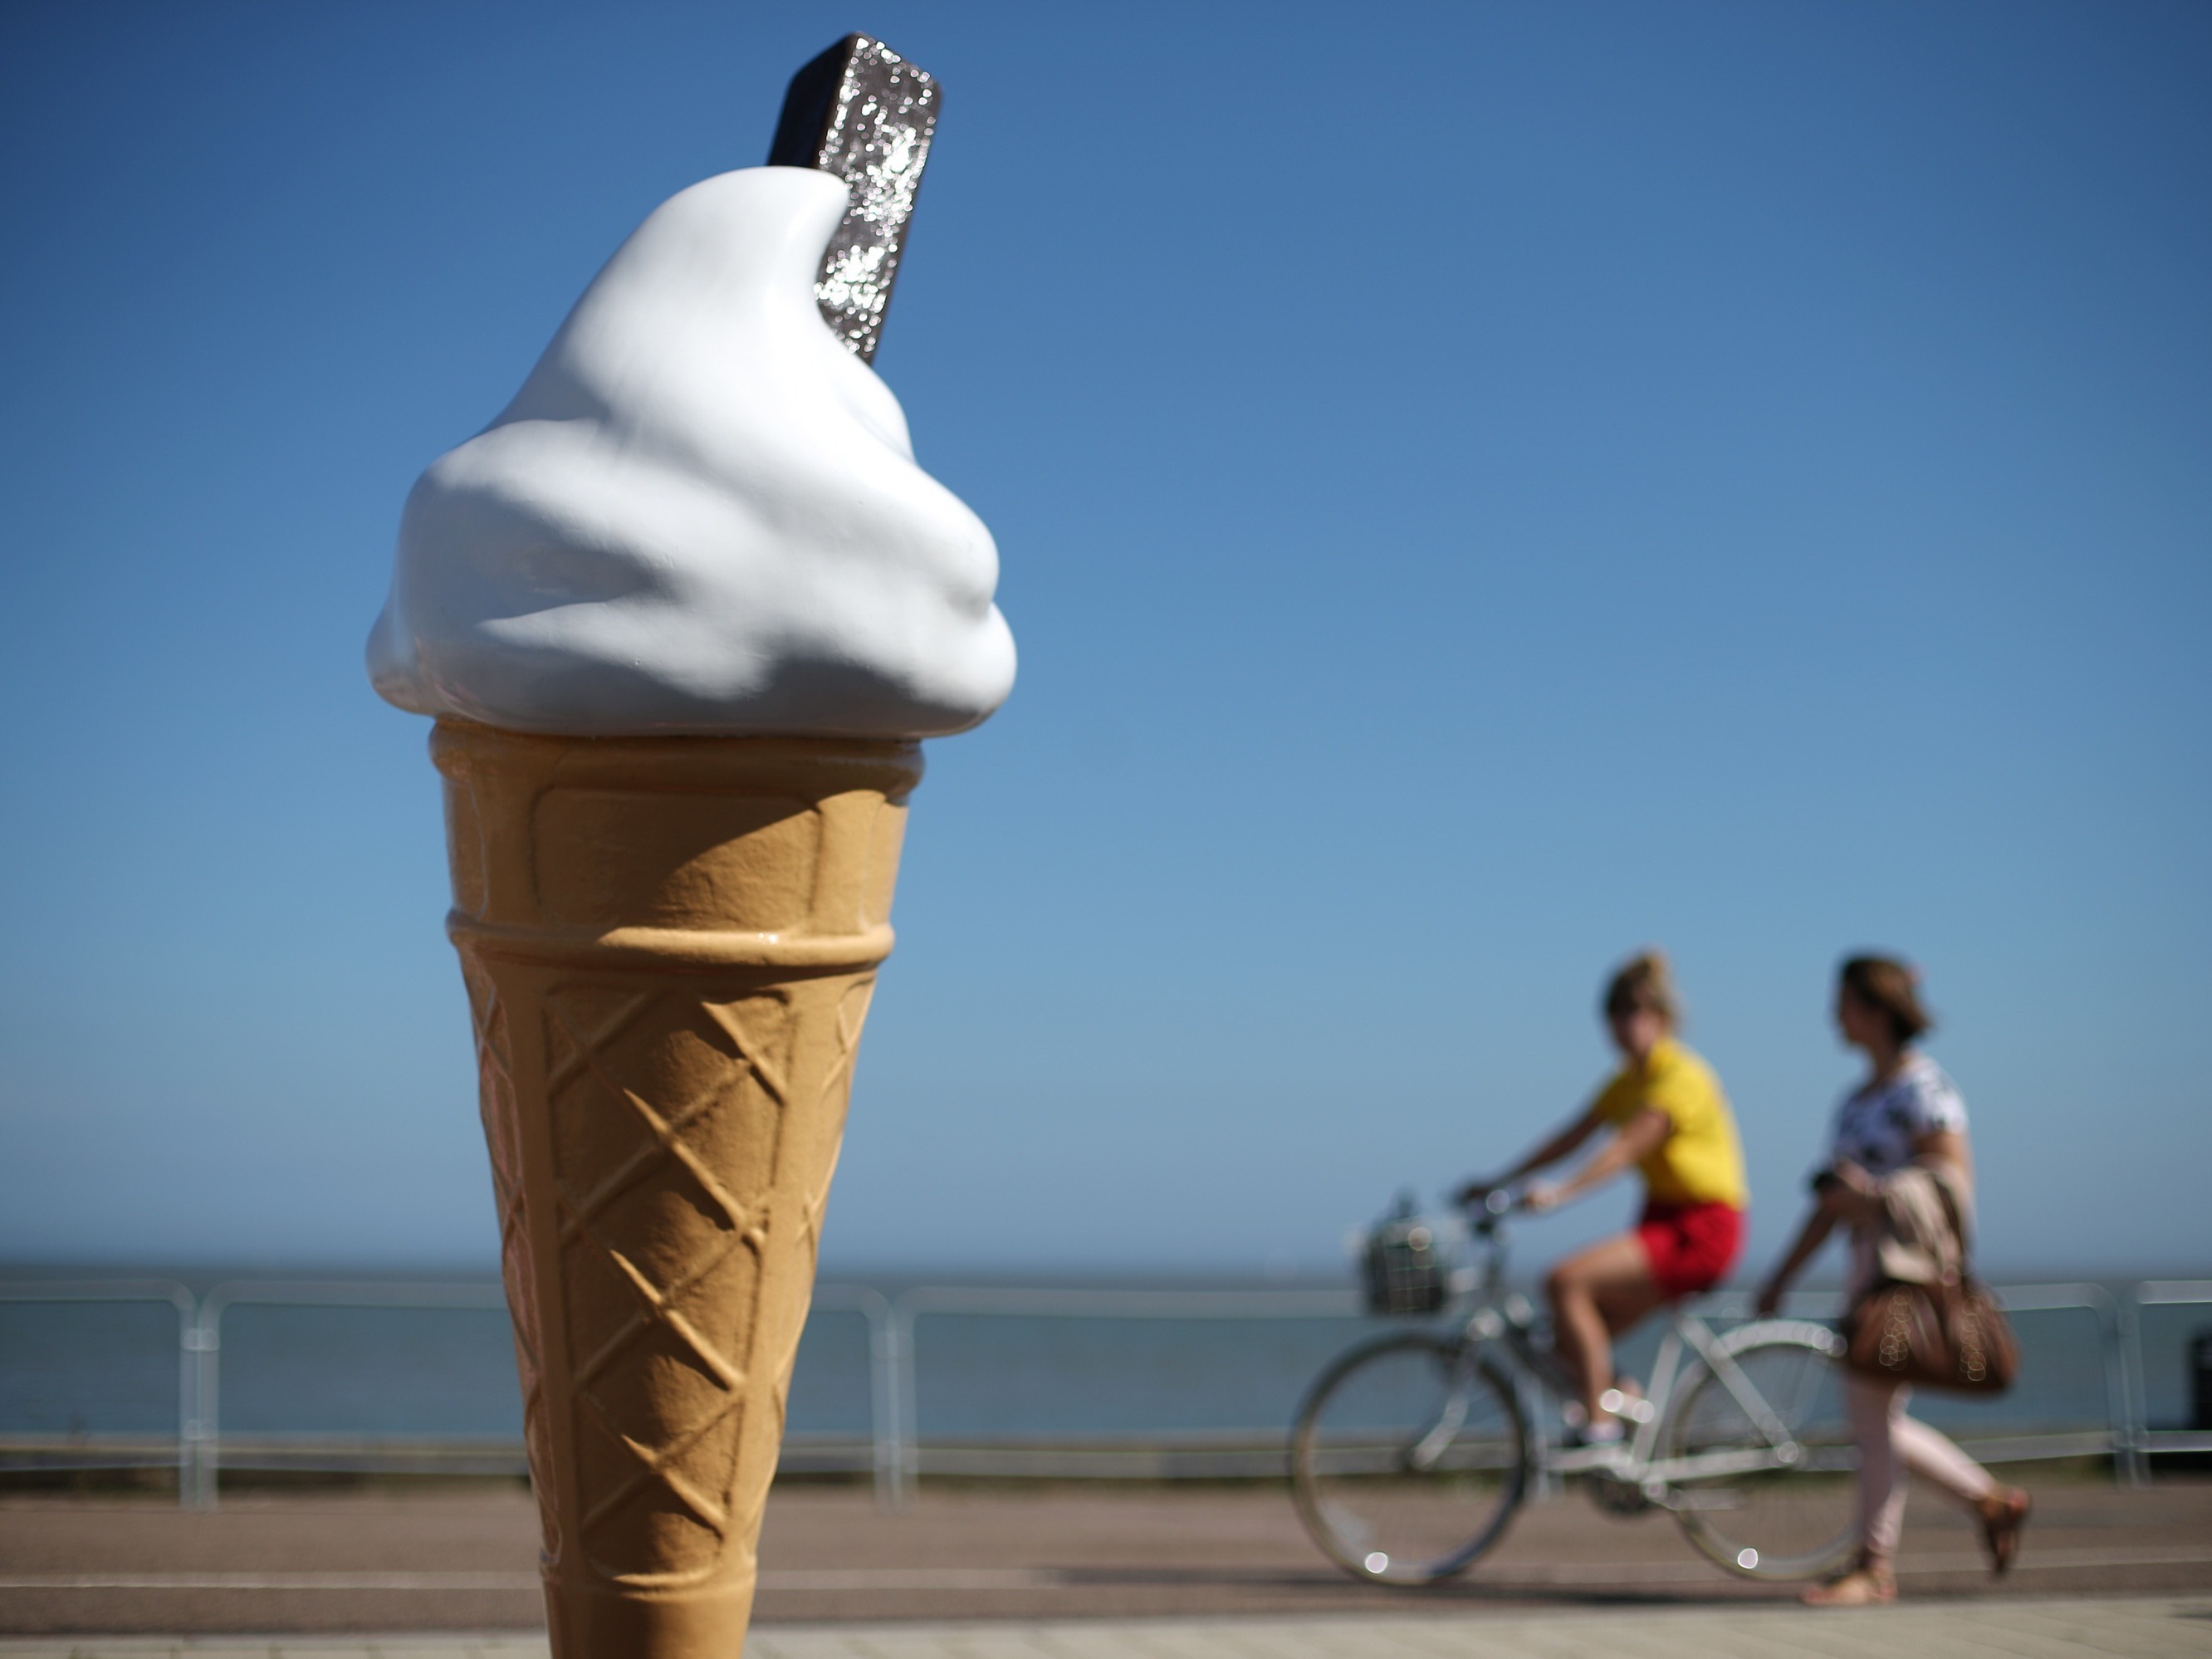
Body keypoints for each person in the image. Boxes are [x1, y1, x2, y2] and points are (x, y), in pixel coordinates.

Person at [1755, 954, 2030, 1606]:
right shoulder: (1857, 1101)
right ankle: (1987, 1502)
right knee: (1873, 1414)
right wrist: (1784, 1274)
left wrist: (1872, 1198)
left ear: (1874, 1010)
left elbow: (1951, 1186)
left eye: (1844, 1002)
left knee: (1869, 1413)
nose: (1834, 1016)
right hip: (1869, 1269)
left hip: (1908, 1273)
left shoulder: (1925, 1090)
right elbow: (1829, 1207)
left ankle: (1875, 1567)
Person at [1459, 951, 1747, 1444]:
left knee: (1565, 1282)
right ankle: (1624, 1401)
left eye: (1632, 1010)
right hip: (1661, 1222)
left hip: (1700, 1228)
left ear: (1660, 1015)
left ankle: (1599, 1430)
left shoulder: (1680, 1077)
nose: (1622, 1024)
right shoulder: (1627, 1082)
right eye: (1613, 1012)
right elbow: (1571, 1135)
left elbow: (1627, 1145)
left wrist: (1562, 1193)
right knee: (1567, 1338)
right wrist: (1499, 1180)